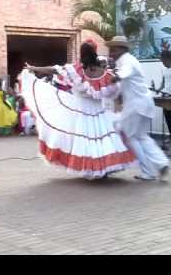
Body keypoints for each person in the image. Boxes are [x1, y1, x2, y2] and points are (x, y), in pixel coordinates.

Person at [23, 40, 138, 180]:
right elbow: (115, 89)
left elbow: (54, 69)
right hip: (99, 110)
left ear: (82, 53)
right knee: (102, 138)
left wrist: (34, 68)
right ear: (95, 52)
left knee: (85, 140)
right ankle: (103, 169)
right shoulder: (104, 72)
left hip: (80, 109)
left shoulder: (75, 69)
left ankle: (91, 168)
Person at [107, 35, 170, 181]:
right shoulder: (128, 60)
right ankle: (161, 163)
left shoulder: (127, 61)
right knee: (141, 136)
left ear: (122, 49)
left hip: (136, 105)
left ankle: (148, 171)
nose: (111, 53)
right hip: (144, 104)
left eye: (114, 50)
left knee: (130, 137)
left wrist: (116, 77)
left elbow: (125, 73)